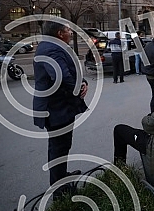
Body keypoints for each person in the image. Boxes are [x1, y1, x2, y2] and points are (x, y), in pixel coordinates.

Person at [33, 21, 88, 200]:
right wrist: (79, 88)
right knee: (58, 149)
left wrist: (83, 82)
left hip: (59, 108)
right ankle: (59, 190)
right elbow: (61, 76)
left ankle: (62, 176)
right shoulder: (51, 49)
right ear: (59, 33)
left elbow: (69, 72)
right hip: (56, 109)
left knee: (62, 146)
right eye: (67, 29)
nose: (70, 31)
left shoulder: (50, 46)